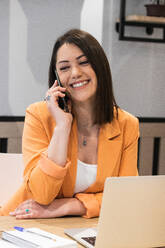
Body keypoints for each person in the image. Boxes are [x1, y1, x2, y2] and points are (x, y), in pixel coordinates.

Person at [0, 29, 139, 219]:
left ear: (100, 67)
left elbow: (127, 197)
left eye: (84, 62)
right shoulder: (39, 115)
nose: (75, 73)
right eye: (65, 68)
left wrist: (68, 206)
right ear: (57, 79)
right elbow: (41, 194)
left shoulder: (127, 124)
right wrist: (62, 127)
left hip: (91, 229)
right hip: (27, 226)